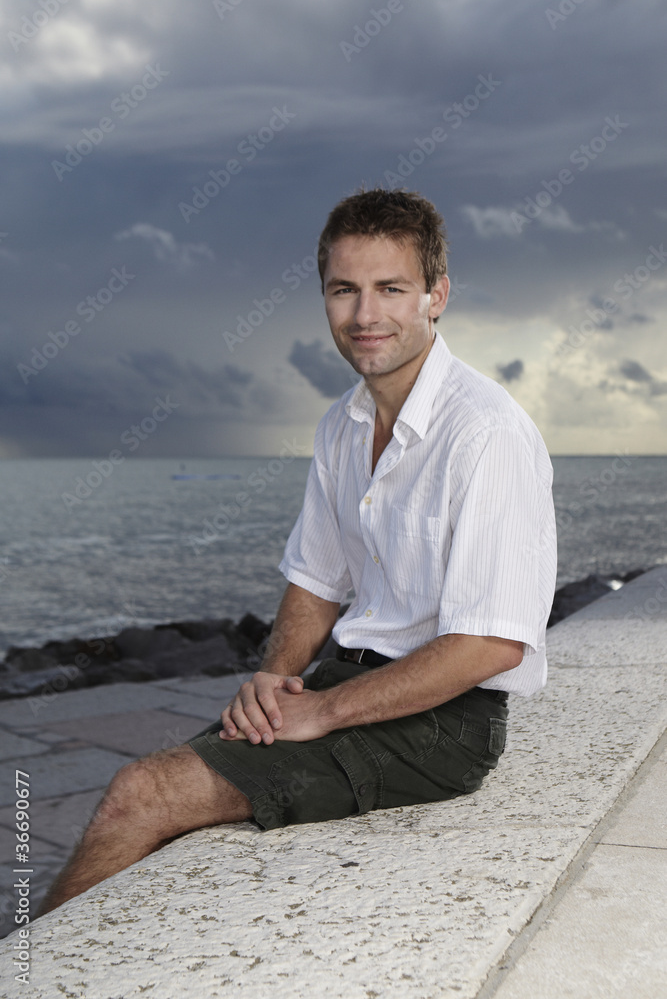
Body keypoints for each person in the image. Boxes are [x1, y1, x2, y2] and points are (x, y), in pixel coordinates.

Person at [38, 188, 557, 914]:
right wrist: (272, 680)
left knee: (142, 793)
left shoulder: (484, 433)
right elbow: (317, 580)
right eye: (344, 290)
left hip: (444, 725)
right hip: (347, 683)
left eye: (390, 289)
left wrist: (326, 710)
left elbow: (490, 645)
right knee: (158, 798)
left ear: (436, 295)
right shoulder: (341, 425)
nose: (364, 316)